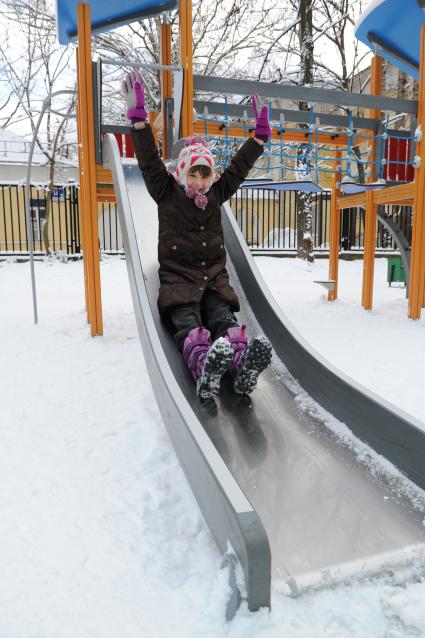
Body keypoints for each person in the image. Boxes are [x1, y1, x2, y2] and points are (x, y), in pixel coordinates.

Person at [122, 71, 272, 399]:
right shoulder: (167, 193)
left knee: (222, 317)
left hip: (214, 280)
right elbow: (149, 163)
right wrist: (139, 122)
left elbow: (237, 170)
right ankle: (204, 366)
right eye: (194, 174)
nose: (201, 182)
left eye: (205, 175)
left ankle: (240, 362)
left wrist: (258, 139)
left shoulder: (217, 194)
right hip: (179, 280)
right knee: (188, 322)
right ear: (182, 173)